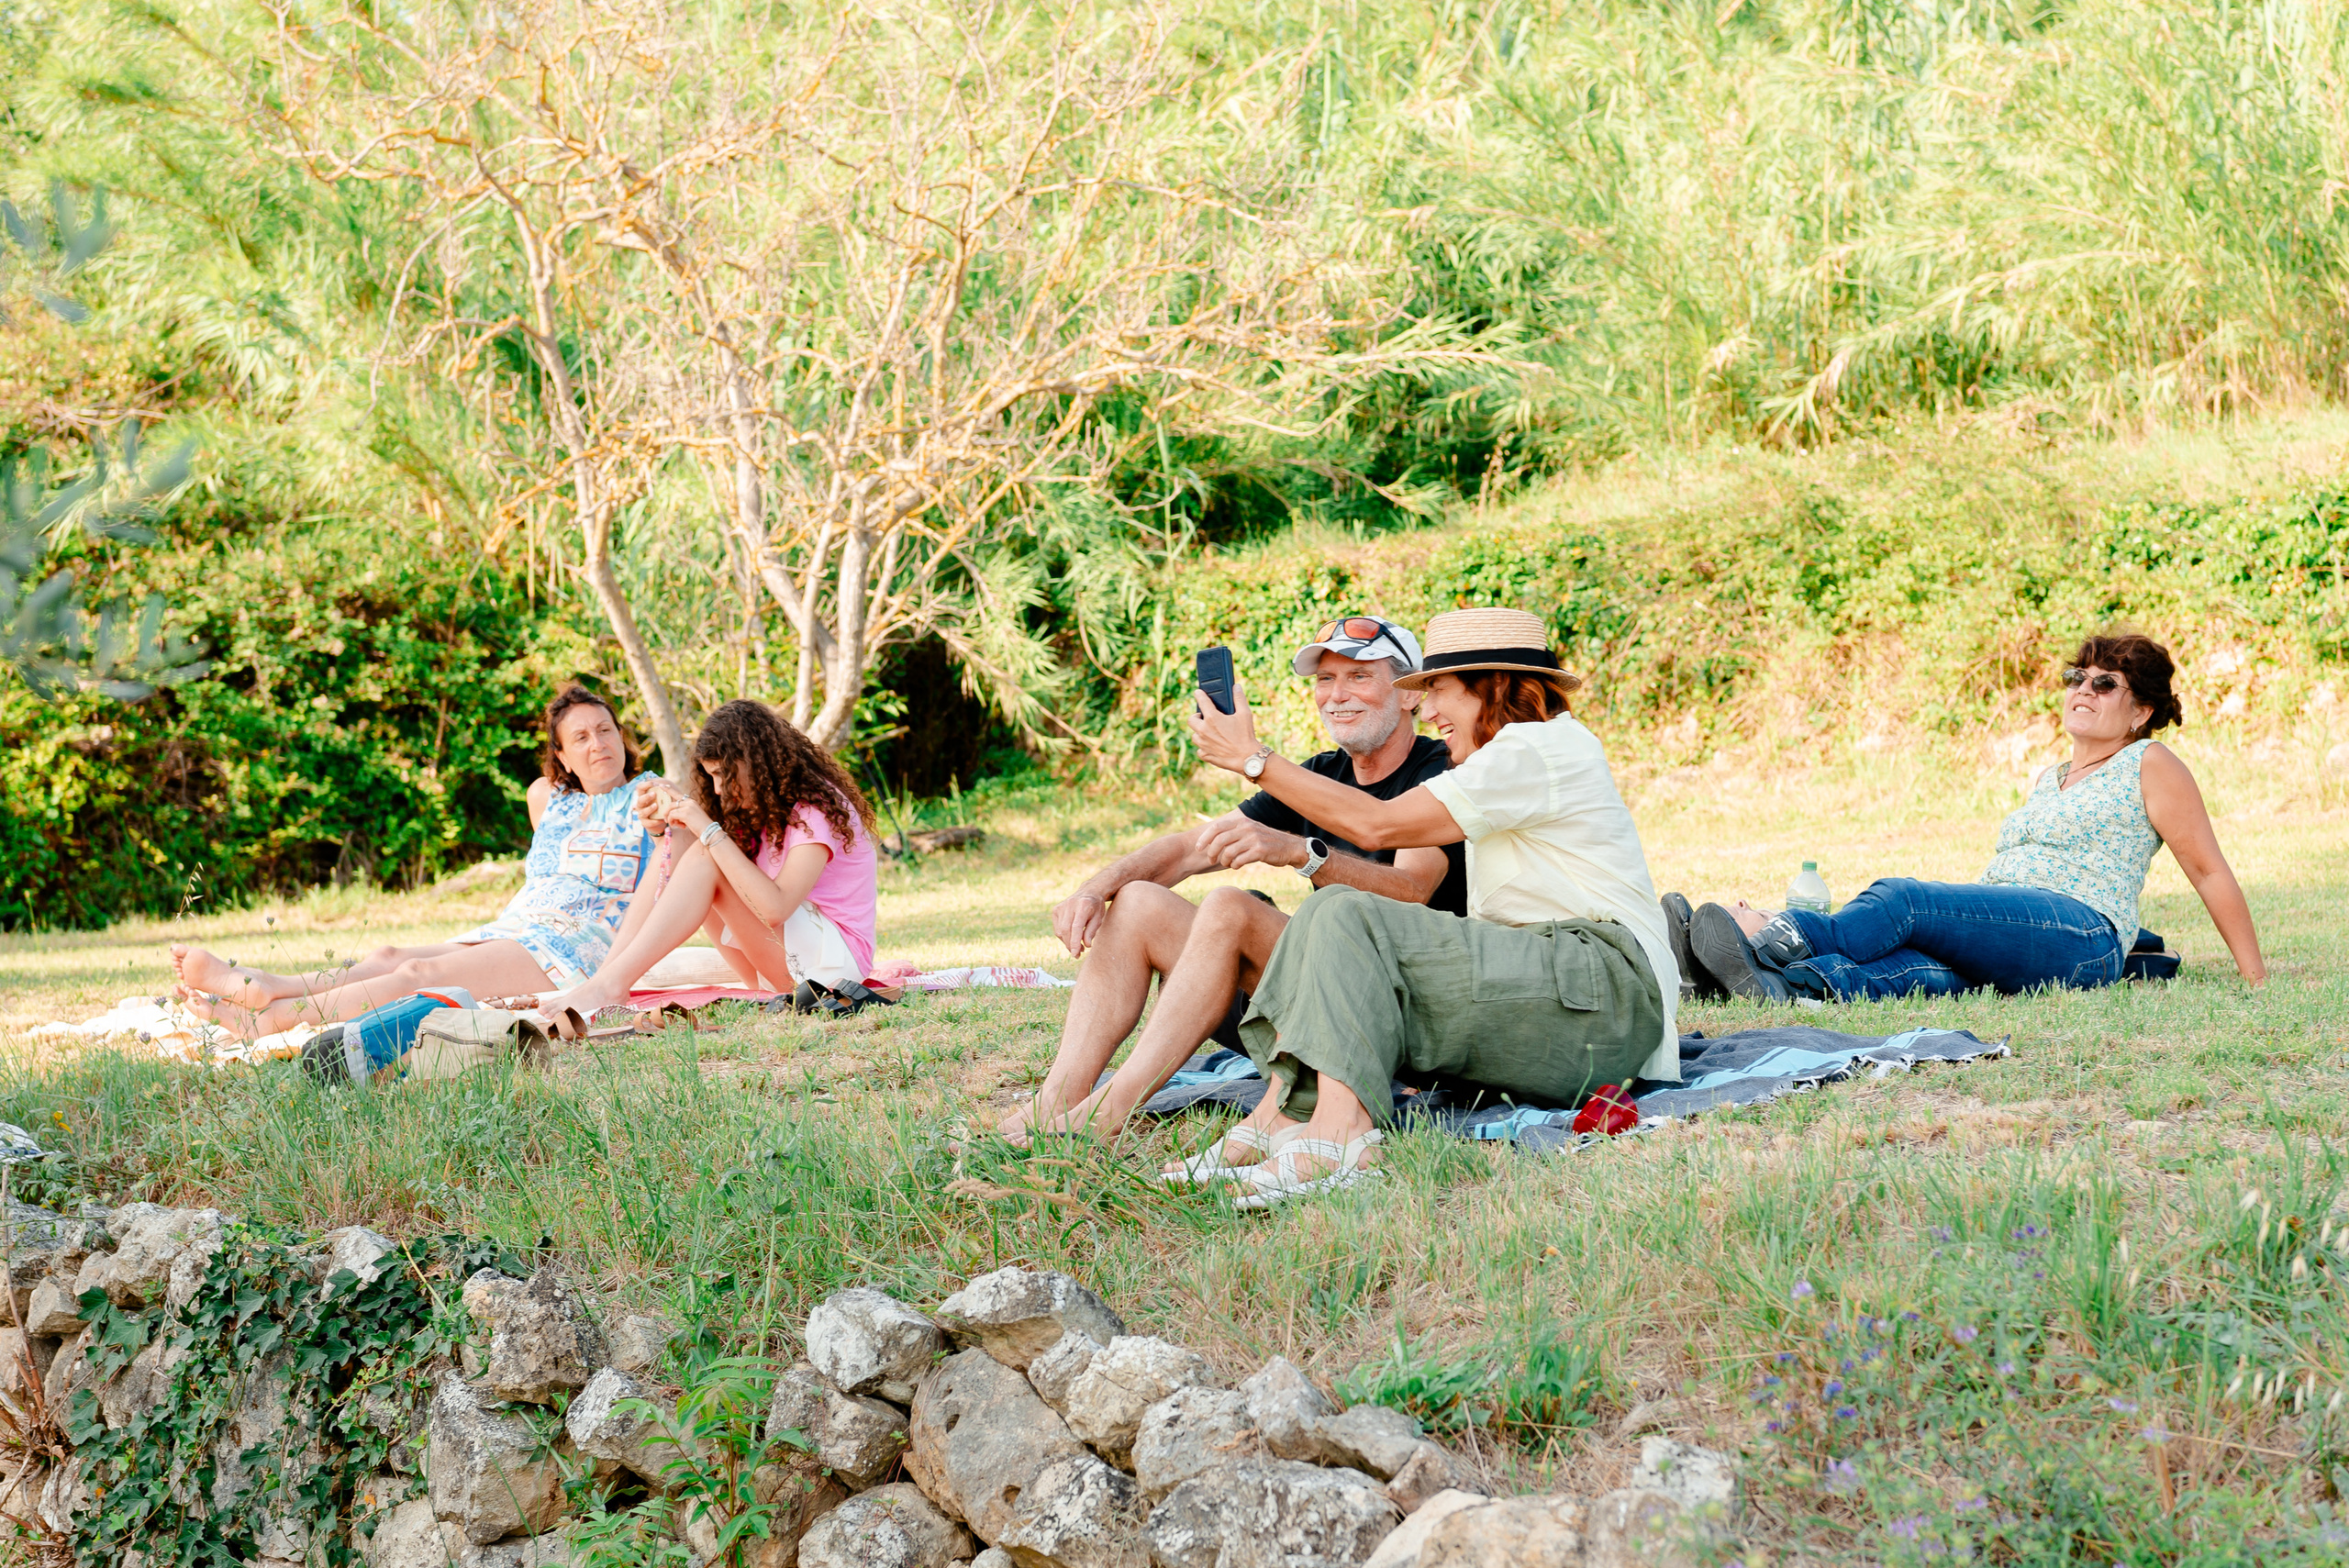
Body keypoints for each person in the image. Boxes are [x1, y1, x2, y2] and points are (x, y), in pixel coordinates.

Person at [1186, 607, 1683, 1204]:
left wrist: (1253, 759)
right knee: (1329, 910)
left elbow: (1376, 826)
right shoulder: (1504, 760)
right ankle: (1286, 1118)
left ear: (1489, 686)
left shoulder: (1535, 747)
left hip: (1608, 992)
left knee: (1343, 910)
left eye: (1438, 690)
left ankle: (1342, 1136)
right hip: (1568, 1003)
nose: (1428, 710)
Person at [998, 616, 1465, 1150]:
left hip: (1399, 1005)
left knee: (1232, 908)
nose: (1338, 696)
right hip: (1320, 994)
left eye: (1360, 677)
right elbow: (1189, 848)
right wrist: (1092, 889)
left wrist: (1299, 852)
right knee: (1138, 902)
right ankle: (1057, 1098)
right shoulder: (1320, 775)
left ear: (1408, 696)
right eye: (1325, 680)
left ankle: (1110, 1111)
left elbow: (1411, 891)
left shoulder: (1439, 771)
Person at [1677, 631, 2267, 1002]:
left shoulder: (2151, 762)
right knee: (1927, 970)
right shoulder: (2051, 777)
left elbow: (2208, 870)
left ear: (2140, 710)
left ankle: (1781, 934)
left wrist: (2255, 977)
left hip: (2081, 933)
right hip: (2018, 925)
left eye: (2105, 683)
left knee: (1905, 900)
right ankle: (1779, 984)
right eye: (2077, 677)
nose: (2083, 689)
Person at [173, 684, 663, 1034]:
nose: (598, 744)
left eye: (605, 730)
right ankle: (274, 986)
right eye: (580, 737)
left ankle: (271, 1018)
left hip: (573, 948)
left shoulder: (652, 795)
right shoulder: (547, 797)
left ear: (622, 737)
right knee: (389, 956)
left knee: (418, 979)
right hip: (517, 928)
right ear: (561, 755)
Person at [542, 697, 881, 1017]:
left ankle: (611, 984)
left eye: (723, 774)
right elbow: (696, 860)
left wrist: (707, 829)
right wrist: (668, 826)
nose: (717, 789)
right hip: (787, 965)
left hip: (831, 971)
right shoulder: (761, 808)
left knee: (708, 854)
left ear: (756, 764)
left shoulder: (814, 809)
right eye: (711, 776)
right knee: (694, 848)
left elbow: (776, 908)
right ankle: (607, 978)